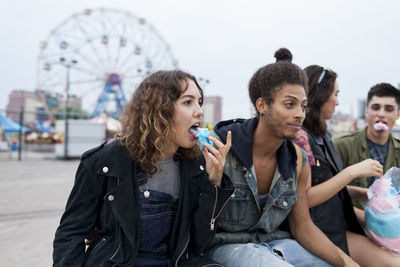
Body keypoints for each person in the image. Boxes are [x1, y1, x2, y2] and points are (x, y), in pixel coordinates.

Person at [53, 70, 234, 267]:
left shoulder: (197, 165)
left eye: (199, 102)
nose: (199, 111)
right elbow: (71, 233)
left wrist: (214, 183)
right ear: (159, 110)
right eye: (188, 102)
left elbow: (201, 242)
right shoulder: (103, 162)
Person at [205, 48, 357, 267]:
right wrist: (214, 182)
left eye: (303, 106)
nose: (300, 114)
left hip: (276, 243)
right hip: (226, 246)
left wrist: (347, 262)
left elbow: (302, 226)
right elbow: (195, 219)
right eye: (289, 104)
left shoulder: (299, 160)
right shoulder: (221, 147)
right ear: (262, 105)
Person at [294, 65, 400, 266]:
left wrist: (353, 191)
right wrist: (352, 172)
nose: (337, 101)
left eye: (389, 109)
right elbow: (304, 198)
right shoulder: (304, 139)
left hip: (343, 224)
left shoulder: (322, 136)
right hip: (327, 230)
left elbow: (327, 185)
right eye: (335, 94)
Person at [333, 83, 400, 209]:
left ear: (398, 114)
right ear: (366, 111)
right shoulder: (341, 145)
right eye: (375, 107)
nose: (381, 114)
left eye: (389, 109)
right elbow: (328, 192)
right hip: (350, 224)